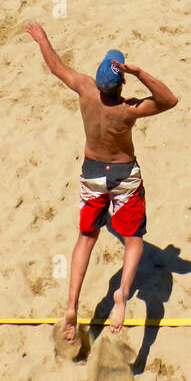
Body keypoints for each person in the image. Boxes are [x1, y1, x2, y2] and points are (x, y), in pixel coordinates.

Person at [25, 25, 177, 338]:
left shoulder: (85, 89)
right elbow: (169, 100)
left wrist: (43, 38)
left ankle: (71, 305)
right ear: (121, 82)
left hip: (92, 174)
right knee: (134, 240)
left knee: (86, 238)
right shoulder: (128, 109)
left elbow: (55, 66)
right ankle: (121, 292)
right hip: (123, 176)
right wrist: (139, 72)